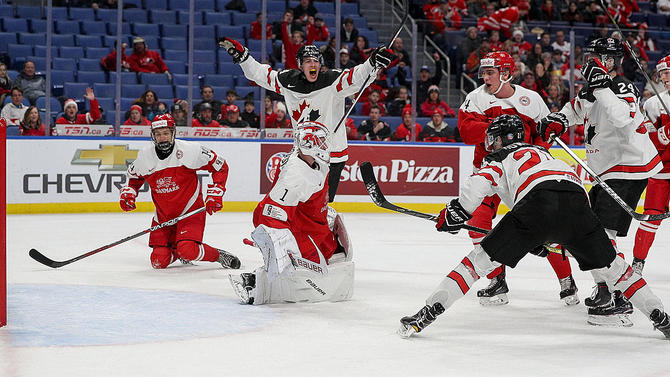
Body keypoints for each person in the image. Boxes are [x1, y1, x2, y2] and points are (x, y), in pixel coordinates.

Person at [397, 114, 670, 340]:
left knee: (476, 263)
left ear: (503, 139)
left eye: (493, 138)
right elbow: (571, 199)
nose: (490, 144)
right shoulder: (547, 155)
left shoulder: (499, 158)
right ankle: (661, 316)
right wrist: (552, 236)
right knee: (616, 270)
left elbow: (477, 187)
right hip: (576, 203)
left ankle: (428, 311)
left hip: (536, 202)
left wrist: (455, 212)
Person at [539, 37, 662, 326]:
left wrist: (603, 84)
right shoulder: (594, 88)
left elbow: (620, 117)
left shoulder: (621, 86)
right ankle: (609, 290)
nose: (587, 61)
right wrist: (558, 119)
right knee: (591, 232)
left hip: (627, 169)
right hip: (607, 169)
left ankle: (617, 297)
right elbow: (576, 109)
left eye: (594, 57)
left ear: (608, 61)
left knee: (600, 236)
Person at [458, 51, 578, 306]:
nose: (484, 77)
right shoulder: (475, 98)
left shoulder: (531, 99)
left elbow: (543, 139)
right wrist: (495, 127)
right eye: (484, 72)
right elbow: (466, 132)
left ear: (506, 73)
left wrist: (547, 132)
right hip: (489, 172)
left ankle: (567, 280)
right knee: (478, 225)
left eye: (490, 72)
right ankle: (496, 280)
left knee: (546, 227)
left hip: (521, 175)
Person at [218, 37, 395, 202]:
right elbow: (260, 74)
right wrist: (243, 57)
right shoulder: (288, 81)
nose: (313, 64)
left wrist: (373, 63)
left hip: (333, 155)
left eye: (316, 61)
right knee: (295, 198)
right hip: (303, 153)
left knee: (322, 203)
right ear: (300, 65)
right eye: (308, 61)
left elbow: (357, 77)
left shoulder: (333, 81)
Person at [228, 122, 353, 304]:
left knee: (335, 255)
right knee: (305, 272)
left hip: (315, 224)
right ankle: (255, 283)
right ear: (309, 145)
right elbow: (270, 211)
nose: (325, 146)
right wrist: (279, 239)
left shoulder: (317, 162)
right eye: (321, 141)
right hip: (299, 227)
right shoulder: (295, 174)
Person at [119, 114, 240, 270]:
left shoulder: (190, 151)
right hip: (163, 216)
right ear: (153, 136)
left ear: (173, 133)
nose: (162, 138)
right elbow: (133, 177)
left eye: (166, 133)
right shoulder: (145, 156)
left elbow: (220, 166)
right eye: (158, 134)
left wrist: (216, 192)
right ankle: (178, 251)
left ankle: (218, 255)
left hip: (191, 211)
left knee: (189, 250)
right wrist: (129, 193)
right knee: (158, 261)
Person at [633, 55, 670, 274]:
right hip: (661, 171)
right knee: (651, 218)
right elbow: (645, 139)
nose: (664, 77)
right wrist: (662, 136)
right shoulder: (653, 103)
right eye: (662, 73)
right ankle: (638, 262)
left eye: (668, 72)